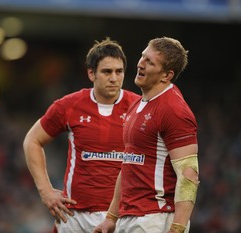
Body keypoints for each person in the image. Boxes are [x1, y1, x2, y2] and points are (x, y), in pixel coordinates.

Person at [23, 37, 140, 233]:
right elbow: (32, 141)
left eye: (119, 71)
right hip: (74, 217)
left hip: (121, 217)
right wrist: (46, 191)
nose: (114, 78)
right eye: (107, 72)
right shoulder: (69, 105)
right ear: (91, 73)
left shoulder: (139, 107)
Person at [93, 37, 199, 233]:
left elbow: (189, 174)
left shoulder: (174, 110)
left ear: (166, 76)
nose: (140, 64)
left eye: (150, 62)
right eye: (143, 57)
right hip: (131, 216)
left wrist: (177, 228)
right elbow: (128, 165)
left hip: (155, 219)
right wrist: (111, 216)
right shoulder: (138, 104)